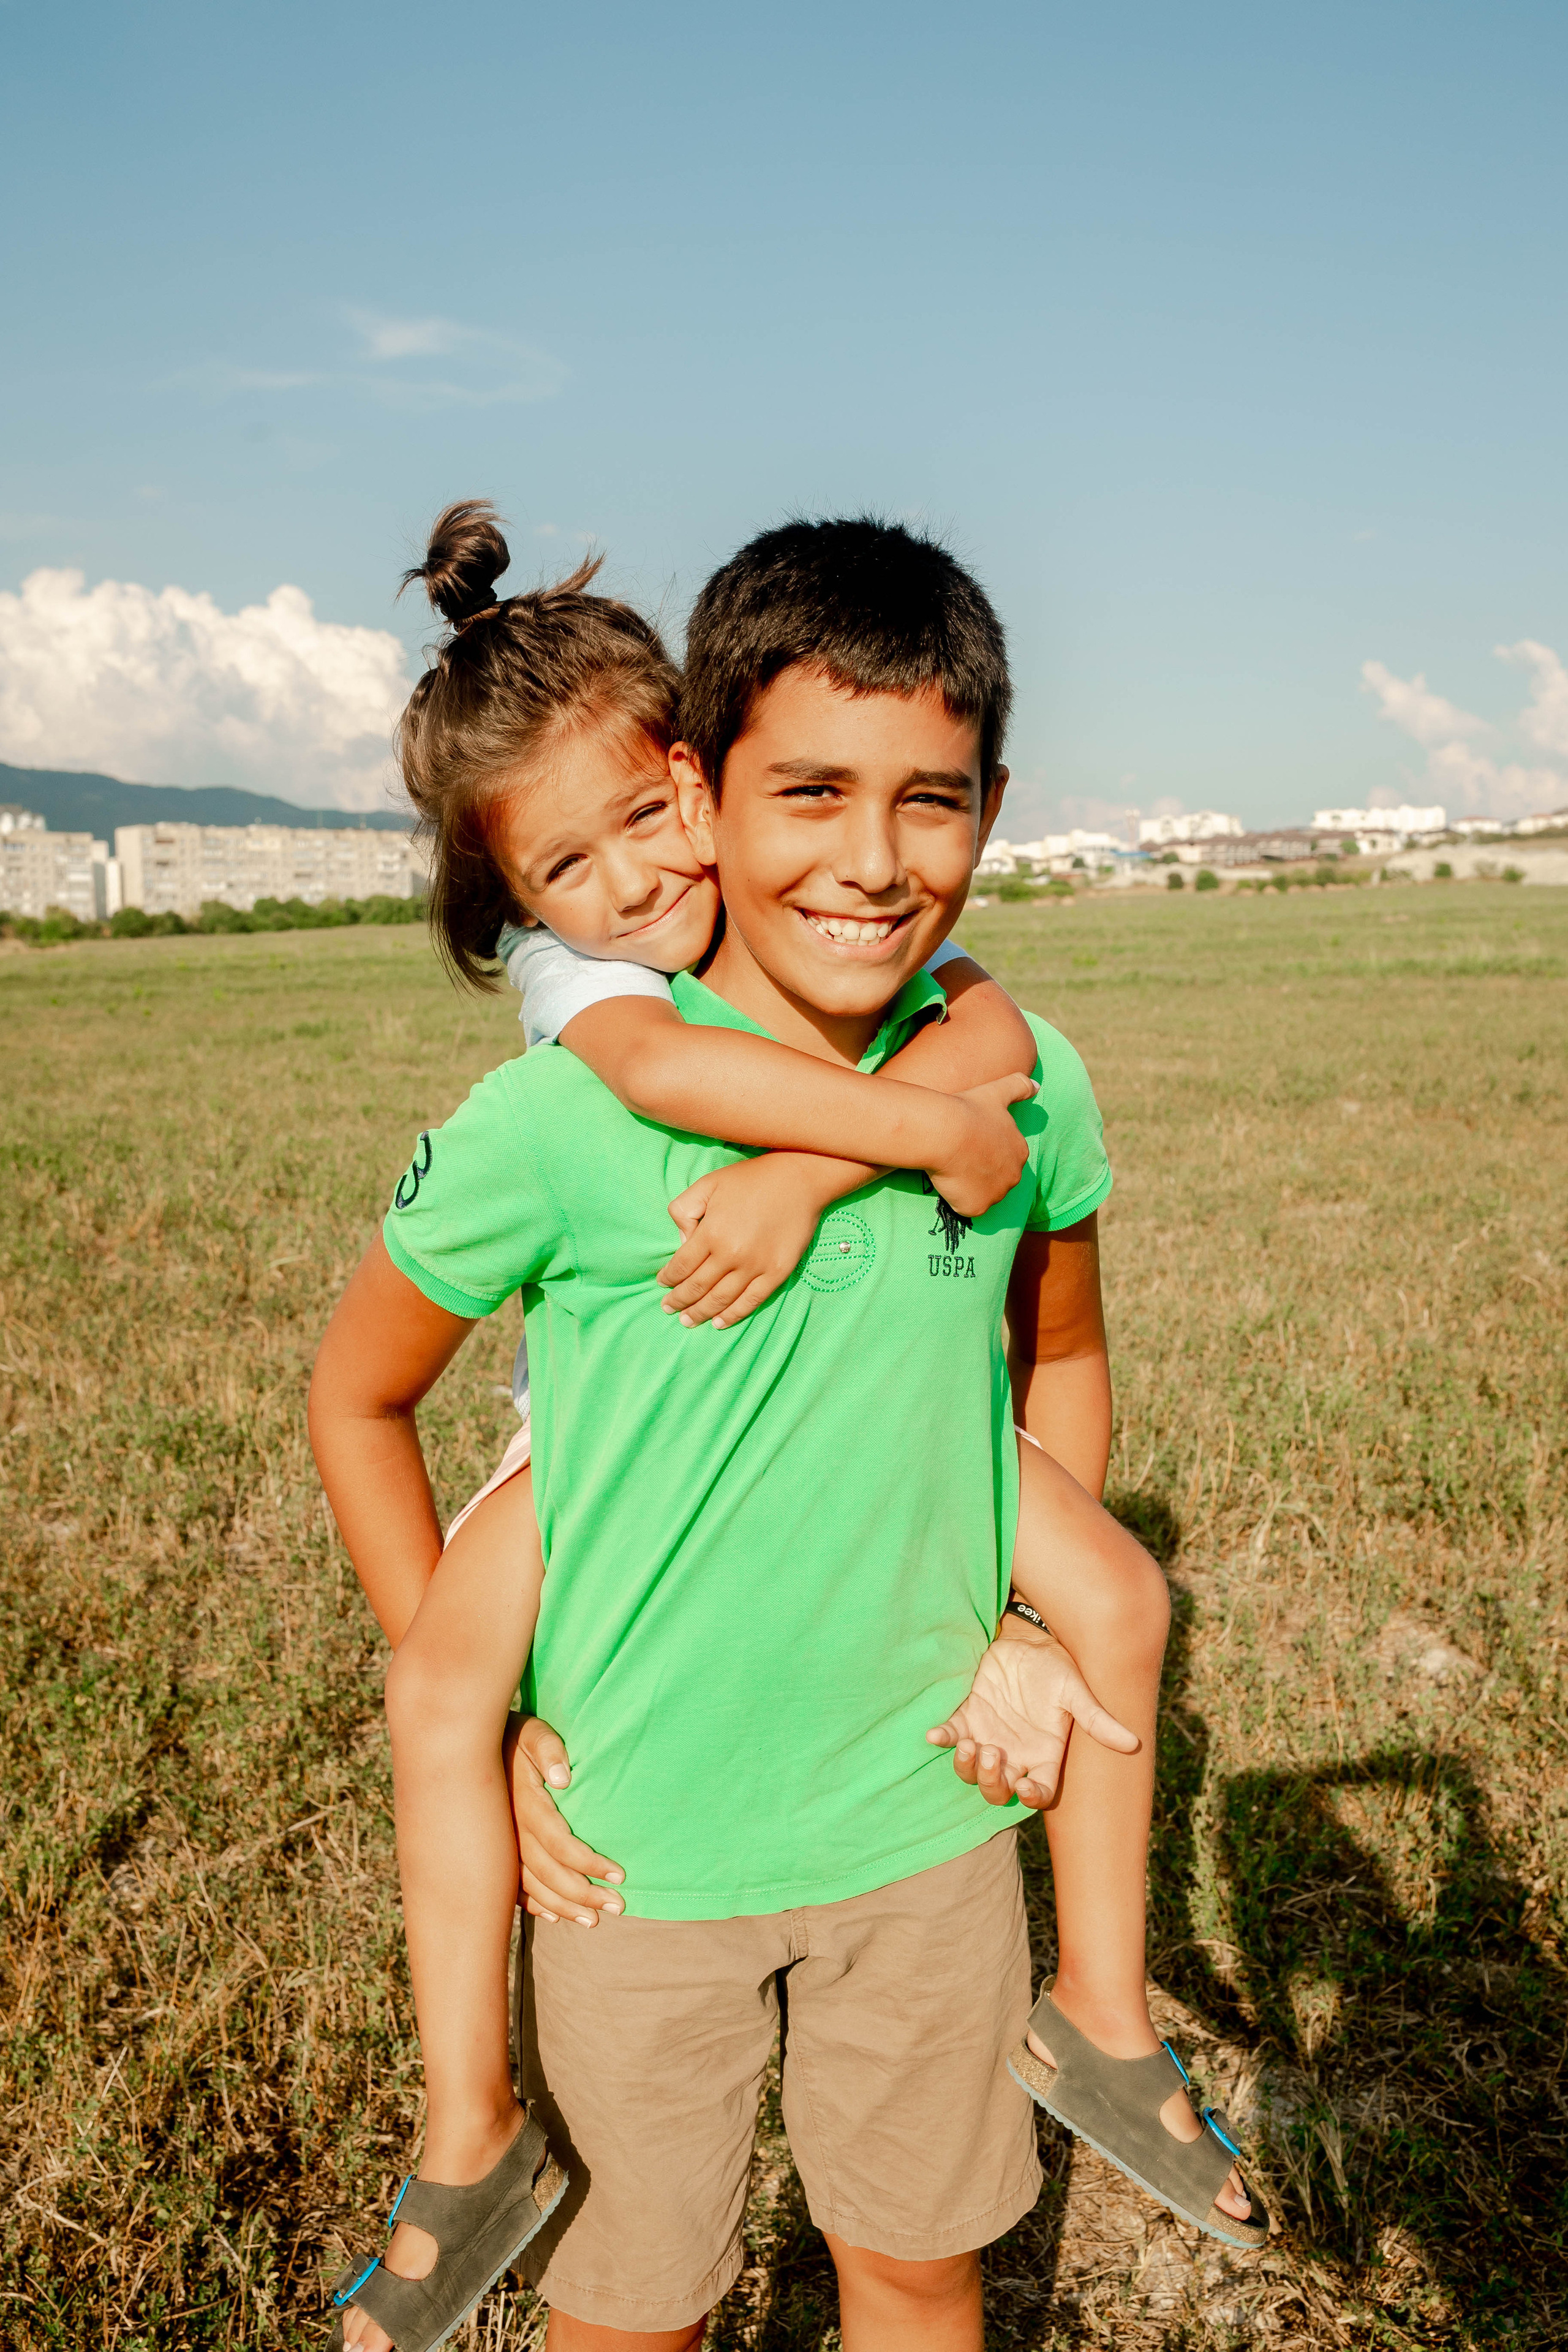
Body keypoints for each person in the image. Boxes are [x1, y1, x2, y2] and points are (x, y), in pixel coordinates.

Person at [310, 511, 1262, 2352]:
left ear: (994, 804)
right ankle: (463, 2140)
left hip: (924, 1833)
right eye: (810, 791)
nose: (872, 861)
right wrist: (485, 1712)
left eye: (933, 802)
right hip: (640, 1863)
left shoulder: (1014, 1067)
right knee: (636, 2307)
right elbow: (358, 1397)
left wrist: (1017, 1613)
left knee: (916, 2267)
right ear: (711, 785)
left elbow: (1051, 1364)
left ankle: (1109, 2015)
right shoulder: (557, 1120)